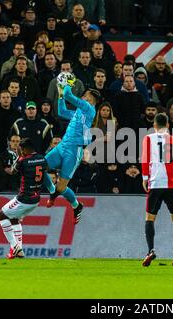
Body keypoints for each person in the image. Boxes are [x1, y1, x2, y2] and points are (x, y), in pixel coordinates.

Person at [45, 72, 98, 225]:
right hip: (62, 146)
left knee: (62, 187)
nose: (84, 98)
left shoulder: (89, 110)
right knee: (40, 167)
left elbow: (69, 95)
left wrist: (66, 84)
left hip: (74, 151)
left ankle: (76, 205)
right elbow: (61, 111)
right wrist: (61, 95)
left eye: (87, 97)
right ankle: (52, 192)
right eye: (84, 97)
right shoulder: (78, 112)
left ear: (91, 101)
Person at [141, 113, 173, 267]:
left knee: (150, 218)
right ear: (168, 125)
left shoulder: (148, 139)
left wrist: (145, 178)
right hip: (172, 185)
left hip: (155, 184)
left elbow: (145, 160)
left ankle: (151, 250)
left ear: (154, 125)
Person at [0, 138, 48, 259]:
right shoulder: (42, 158)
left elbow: (12, 172)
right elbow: (45, 170)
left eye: (20, 148)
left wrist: (19, 158)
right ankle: (19, 251)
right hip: (36, 199)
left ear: (24, 149)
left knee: (2, 215)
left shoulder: (23, 160)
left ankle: (15, 246)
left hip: (24, 198)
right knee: (14, 218)